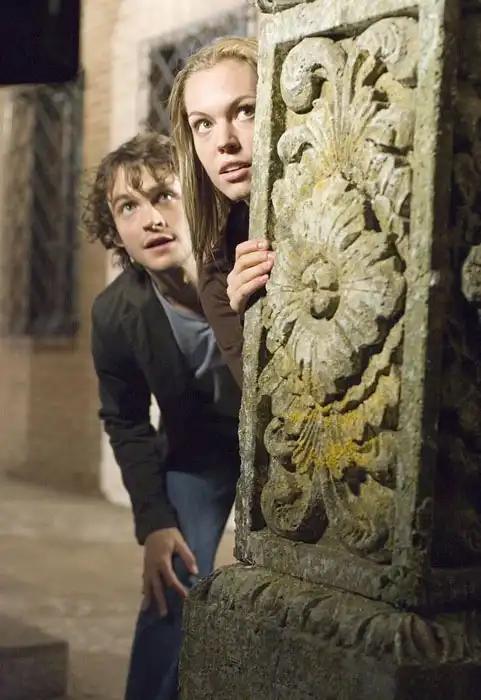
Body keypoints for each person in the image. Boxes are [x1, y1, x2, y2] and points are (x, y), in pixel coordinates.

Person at [83, 131, 240, 700]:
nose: (150, 218)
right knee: (171, 574)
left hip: (285, 441)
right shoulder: (116, 314)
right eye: (128, 206)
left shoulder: (244, 261)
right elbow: (125, 421)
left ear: (195, 197)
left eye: (164, 196)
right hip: (201, 452)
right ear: (115, 230)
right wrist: (154, 522)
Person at [169, 37, 274, 389]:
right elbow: (261, 400)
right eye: (203, 124)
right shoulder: (217, 268)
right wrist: (251, 318)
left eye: (246, 111)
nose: (224, 142)